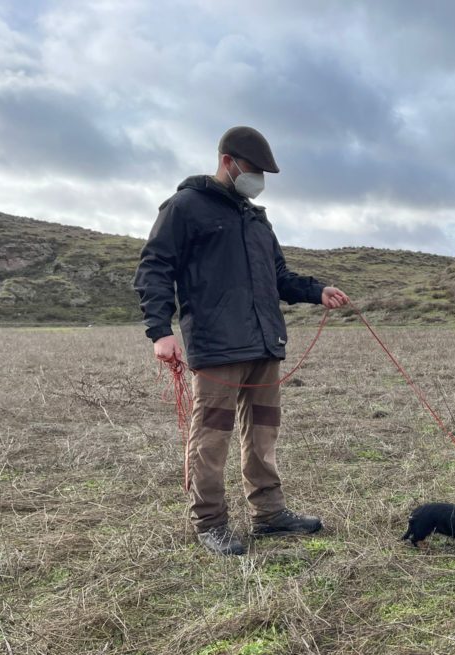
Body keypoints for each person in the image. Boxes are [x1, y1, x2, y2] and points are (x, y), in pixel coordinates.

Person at [134, 126, 349, 556]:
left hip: (264, 345)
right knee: (211, 440)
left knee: (264, 435)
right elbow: (154, 267)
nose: (258, 179)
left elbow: (279, 278)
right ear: (228, 161)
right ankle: (210, 522)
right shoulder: (184, 207)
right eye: (253, 169)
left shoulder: (256, 218)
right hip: (216, 347)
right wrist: (160, 330)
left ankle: (269, 515)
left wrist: (316, 290)